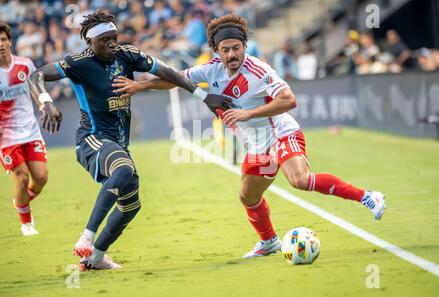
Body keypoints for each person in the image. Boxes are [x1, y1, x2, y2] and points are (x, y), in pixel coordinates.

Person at [112, 13, 386, 259]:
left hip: (280, 132)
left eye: (236, 48)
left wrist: (247, 114)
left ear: (244, 46)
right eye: (225, 49)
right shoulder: (211, 68)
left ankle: (367, 196)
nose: (232, 54)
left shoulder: (259, 70)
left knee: (299, 181)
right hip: (257, 146)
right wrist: (139, 85)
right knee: (248, 197)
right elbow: (175, 79)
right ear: (216, 51)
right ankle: (268, 242)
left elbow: (288, 100)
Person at [28, 10, 233, 271]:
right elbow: (36, 76)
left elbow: (168, 72)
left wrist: (204, 98)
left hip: (119, 143)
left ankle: (96, 258)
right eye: (105, 40)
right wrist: (45, 103)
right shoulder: (78, 63)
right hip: (92, 139)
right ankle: (87, 236)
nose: (113, 43)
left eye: (115, 37)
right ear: (90, 43)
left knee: (131, 205)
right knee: (123, 169)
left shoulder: (128, 54)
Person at [0, 22, 48, 236]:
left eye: (2, 39)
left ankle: (20, 201)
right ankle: (26, 223)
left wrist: (43, 105)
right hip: (6, 136)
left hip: (30, 131)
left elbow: (35, 88)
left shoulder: (25, 64)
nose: (0, 44)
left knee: (40, 178)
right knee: (21, 177)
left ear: (9, 41)